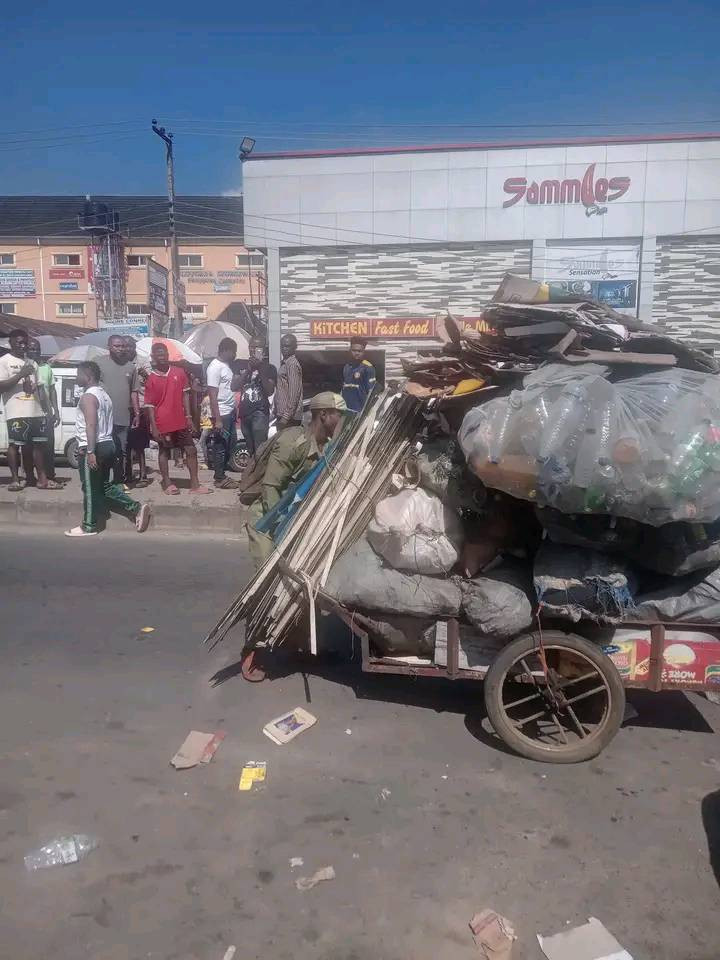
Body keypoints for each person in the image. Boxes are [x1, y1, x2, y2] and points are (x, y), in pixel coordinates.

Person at [247, 392, 347, 566]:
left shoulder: (329, 447)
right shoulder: (292, 442)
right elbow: (270, 486)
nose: (342, 421)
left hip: (292, 517)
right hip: (267, 517)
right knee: (265, 575)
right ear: (323, 415)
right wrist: (279, 526)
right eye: (339, 415)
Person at [64, 361, 151, 538]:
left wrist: (90, 451)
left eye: (79, 374)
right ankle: (135, 508)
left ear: (88, 375)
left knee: (89, 487)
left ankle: (89, 526)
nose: (76, 377)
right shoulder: (104, 395)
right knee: (103, 485)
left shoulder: (88, 397)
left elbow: (91, 424)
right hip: (108, 444)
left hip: (95, 446)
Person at [143, 342, 211, 496]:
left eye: (164, 354)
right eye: (159, 354)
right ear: (153, 357)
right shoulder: (151, 379)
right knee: (164, 452)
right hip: (162, 422)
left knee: (191, 450)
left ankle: (195, 484)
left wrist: (189, 417)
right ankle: (167, 482)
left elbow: (185, 395)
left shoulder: (179, 373)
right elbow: (150, 406)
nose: (162, 357)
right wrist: (153, 427)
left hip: (180, 420)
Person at [0, 329, 58, 491]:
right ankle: (15, 479)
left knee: (38, 446)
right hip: (16, 411)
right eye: (19, 342)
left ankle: (42, 479)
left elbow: (40, 389)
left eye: (25, 343)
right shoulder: (4, 361)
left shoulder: (32, 363)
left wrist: (48, 410)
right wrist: (20, 375)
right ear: (10, 343)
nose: (23, 346)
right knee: (14, 445)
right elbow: (1, 386)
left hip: (36, 410)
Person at [97, 335, 138, 486]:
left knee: (122, 450)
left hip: (123, 416)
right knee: (105, 450)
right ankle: (103, 480)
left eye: (122, 346)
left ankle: (119, 481)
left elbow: (134, 391)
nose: (120, 349)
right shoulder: (98, 363)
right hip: (103, 417)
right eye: (116, 346)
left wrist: (137, 413)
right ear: (109, 346)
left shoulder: (130, 366)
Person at [207, 337, 241, 489]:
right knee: (220, 446)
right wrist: (218, 419)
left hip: (229, 412)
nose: (234, 355)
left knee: (231, 442)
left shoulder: (225, 366)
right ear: (226, 350)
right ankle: (219, 477)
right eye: (233, 351)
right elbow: (212, 395)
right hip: (221, 413)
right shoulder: (214, 367)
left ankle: (222, 473)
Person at [28, 338, 62, 483]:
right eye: (32, 348)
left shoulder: (46, 368)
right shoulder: (25, 367)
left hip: (46, 413)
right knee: (29, 447)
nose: (34, 351)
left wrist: (56, 410)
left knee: (48, 446)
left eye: (37, 349)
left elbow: (52, 390)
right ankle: (30, 477)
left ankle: (49, 475)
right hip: (29, 412)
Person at [236, 338, 276, 457]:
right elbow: (234, 386)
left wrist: (259, 369)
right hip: (244, 412)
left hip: (260, 412)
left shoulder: (269, 368)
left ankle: (259, 474)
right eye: (251, 347)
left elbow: (269, 391)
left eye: (257, 348)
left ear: (263, 351)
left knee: (260, 448)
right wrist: (248, 370)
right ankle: (252, 472)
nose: (253, 350)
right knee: (250, 449)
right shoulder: (241, 364)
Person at [124, 337, 151, 486]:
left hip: (140, 407)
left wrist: (145, 375)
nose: (126, 349)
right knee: (126, 444)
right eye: (124, 346)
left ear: (134, 347)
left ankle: (143, 475)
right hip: (123, 407)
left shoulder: (143, 361)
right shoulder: (120, 363)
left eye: (129, 346)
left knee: (139, 445)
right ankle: (127, 474)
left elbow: (152, 383)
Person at [274, 333, 303, 429]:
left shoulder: (292, 365)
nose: (284, 348)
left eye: (287, 346)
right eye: (282, 346)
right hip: (283, 415)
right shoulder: (285, 363)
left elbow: (294, 393)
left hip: (290, 418)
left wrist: (285, 417)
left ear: (295, 347)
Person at [342, 337, 377, 412]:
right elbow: (344, 387)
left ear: (364, 352)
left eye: (359, 351)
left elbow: (372, 392)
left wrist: (368, 411)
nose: (356, 353)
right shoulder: (347, 366)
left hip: (360, 410)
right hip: (346, 408)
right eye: (354, 350)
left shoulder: (368, 367)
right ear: (350, 350)